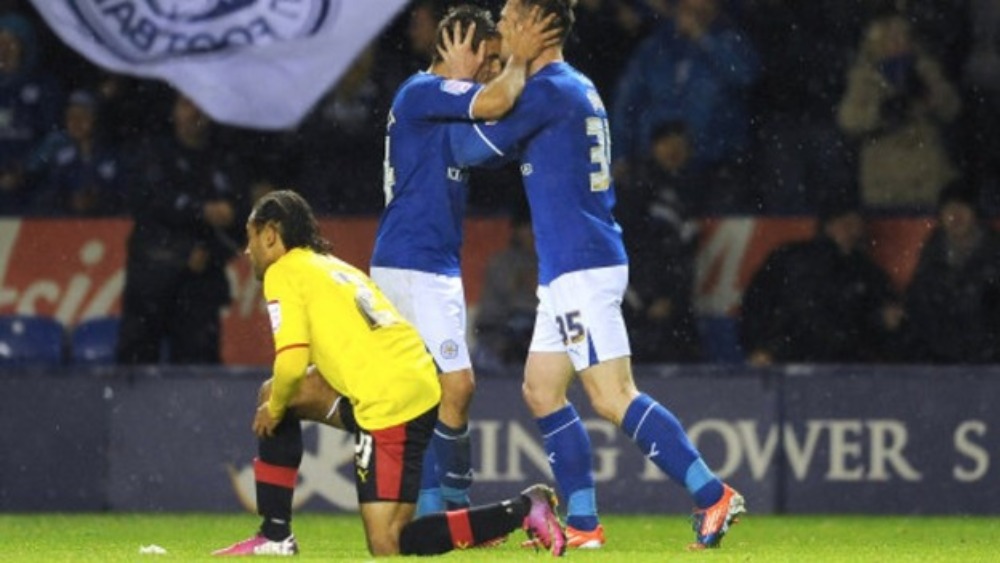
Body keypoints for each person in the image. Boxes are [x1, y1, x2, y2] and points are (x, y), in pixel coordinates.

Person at [447, 0, 745, 550]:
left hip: (579, 265)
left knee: (613, 395)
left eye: (510, 18)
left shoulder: (544, 91)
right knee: (541, 390)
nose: (501, 27)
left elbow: (469, 149)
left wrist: (463, 88)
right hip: (571, 263)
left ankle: (712, 494)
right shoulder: (574, 85)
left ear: (536, 27)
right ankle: (584, 524)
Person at [213, 190, 566, 557]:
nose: (247, 250)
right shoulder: (328, 266)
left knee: (388, 542)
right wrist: (279, 401)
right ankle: (275, 536)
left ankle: (524, 509)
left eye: (251, 237)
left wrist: (272, 411)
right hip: (413, 380)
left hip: (389, 399)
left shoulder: (283, 271)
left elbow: (291, 362)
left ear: (271, 234)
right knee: (277, 393)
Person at [370, 4, 559, 517]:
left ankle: (447, 509)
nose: (496, 68)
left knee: (437, 391)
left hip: (431, 264)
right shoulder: (422, 91)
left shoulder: (443, 112)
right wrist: (520, 61)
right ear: (462, 50)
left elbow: (495, 136)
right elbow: (497, 101)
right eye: (490, 58)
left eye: (500, 59)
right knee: (453, 385)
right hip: (411, 263)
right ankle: (442, 511)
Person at [116, 92, 246, 364]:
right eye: (187, 104)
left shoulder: (223, 160)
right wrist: (199, 217)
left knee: (198, 370)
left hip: (200, 286)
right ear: (174, 111)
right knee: (137, 367)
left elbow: (240, 222)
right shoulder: (153, 154)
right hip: (153, 279)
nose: (194, 112)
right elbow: (151, 204)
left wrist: (211, 250)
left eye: (201, 105)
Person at [740, 202, 904, 365]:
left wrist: (884, 321)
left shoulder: (866, 272)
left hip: (844, 366)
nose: (853, 231)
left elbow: (882, 319)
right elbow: (756, 304)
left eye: (857, 225)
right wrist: (760, 348)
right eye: (846, 224)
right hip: (787, 360)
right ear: (828, 226)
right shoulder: (790, 258)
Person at [837, 13, 961, 210]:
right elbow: (848, 120)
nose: (900, 44)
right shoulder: (865, 78)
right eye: (892, 39)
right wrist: (881, 112)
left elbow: (952, 109)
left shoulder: (926, 70)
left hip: (927, 173)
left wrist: (928, 96)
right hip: (885, 175)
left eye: (905, 38)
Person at [900, 183, 1000, 363]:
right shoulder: (933, 252)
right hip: (938, 361)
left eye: (962, 208)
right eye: (949, 209)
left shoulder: (994, 253)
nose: (955, 216)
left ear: (975, 214)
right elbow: (917, 302)